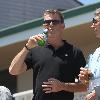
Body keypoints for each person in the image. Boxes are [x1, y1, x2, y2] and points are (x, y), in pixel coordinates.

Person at [9, 9, 87, 100]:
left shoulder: (74, 52)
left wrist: (63, 86)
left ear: (63, 26)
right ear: (43, 26)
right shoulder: (35, 50)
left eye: (55, 22)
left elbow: (85, 85)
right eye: (47, 22)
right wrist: (27, 47)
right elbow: (13, 71)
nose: (50, 25)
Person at [79, 8, 100, 100]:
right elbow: (87, 83)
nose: (92, 26)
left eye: (95, 21)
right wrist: (86, 79)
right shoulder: (95, 54)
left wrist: (97, 93)